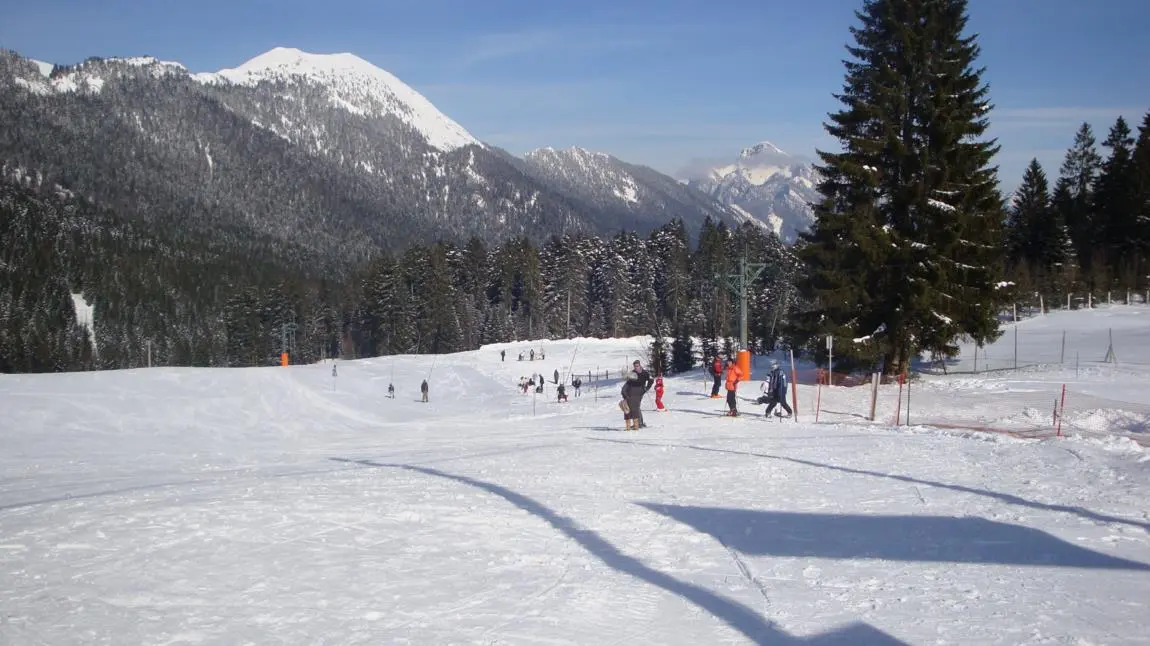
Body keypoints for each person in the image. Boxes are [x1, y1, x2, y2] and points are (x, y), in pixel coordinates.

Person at [621, 359, 654, 430]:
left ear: (640, 365)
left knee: (636, 406)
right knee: (635, 407)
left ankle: (639, 423)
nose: (636, 367)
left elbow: (651, 380)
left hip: (640, 391)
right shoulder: (633, 373)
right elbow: (628, 381)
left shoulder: (645, 373)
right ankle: (639, 422)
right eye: (635, 366)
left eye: (637, 366)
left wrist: (647, 388)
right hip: (632, 391)